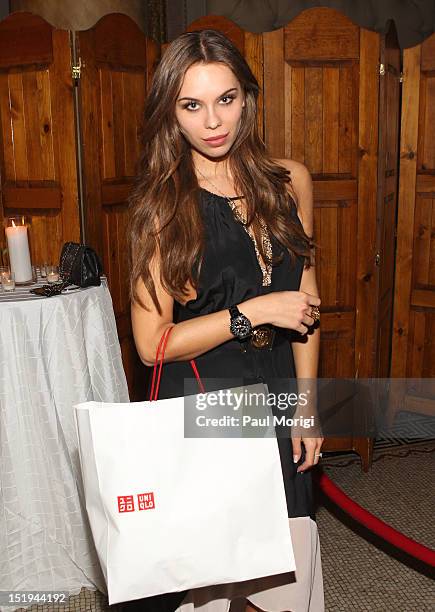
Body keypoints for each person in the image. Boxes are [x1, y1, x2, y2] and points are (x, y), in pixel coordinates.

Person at [126, 28, 324, 612]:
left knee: (288, 572)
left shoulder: (291, 182)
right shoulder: (162, 208)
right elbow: (150, 346)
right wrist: (253, 311)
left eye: (227, 99)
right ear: (172, 113)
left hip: (279, 388)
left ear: (248, 99)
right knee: (212, 583)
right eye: (192, 105)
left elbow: (308, 302)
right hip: (209, 402)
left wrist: (306, 408)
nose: (213, 121)